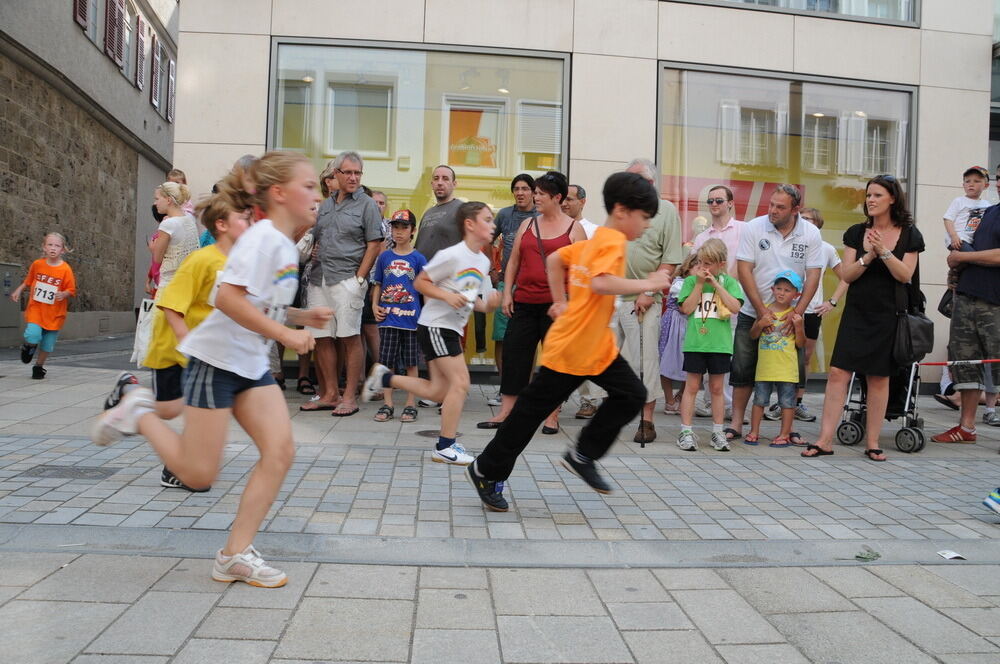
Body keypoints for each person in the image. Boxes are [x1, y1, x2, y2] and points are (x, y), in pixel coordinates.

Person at [91, 151, 333, 588]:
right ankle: (138, 409)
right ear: (279, 193)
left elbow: (257, 302)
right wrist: (287, 337)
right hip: (216, 363)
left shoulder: (280, 242)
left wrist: (299, 319)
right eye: (310, 186)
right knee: (198, 475)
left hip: (250, 365)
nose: (318, 195)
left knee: (280, 452)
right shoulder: (261, 239)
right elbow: (227, 299)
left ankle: (234, 555)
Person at [466, 172, 671, 511]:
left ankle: (582, 454)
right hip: (574, 347)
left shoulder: (595, 239)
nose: (647, 226)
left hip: (595, 348)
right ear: (622, 211)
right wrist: (648, 282)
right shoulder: (610, 242)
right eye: (645, 217)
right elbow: (602, 284)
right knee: (528, 415)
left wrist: (560, 299)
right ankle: (487, 468)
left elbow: (555, 259)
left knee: (631, 394)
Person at [109, 192, 253, 491]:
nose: (251, 223)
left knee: (200, 407)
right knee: (168, 409)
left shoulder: (241, 262)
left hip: (207, 351)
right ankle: (129, 390)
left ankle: (176, 468)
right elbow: (171, 306)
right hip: (174, 346)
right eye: (245, 218)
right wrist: (188, 344)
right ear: (223, 225)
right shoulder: (201, 260)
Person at [362, 202, 501, 465]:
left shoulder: (482, 261)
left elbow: (474, 302)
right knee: (460, 384)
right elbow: (420, 282)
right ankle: (445, 446)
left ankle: (385, 378)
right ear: (470, 224)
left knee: (439, 391)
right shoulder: (452, 255)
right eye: (487, 219)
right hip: (436, 325)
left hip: (449, 328)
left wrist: (489, 305)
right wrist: (448, 297)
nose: (493, 225)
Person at [803, 175, 924, 461]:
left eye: (877, 195)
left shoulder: (909, 234)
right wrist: (867, 256)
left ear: (892, 198)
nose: (870, 200)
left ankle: (872, 443)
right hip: (857, 313)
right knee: (837, 373)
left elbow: (905, 275)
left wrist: (883, 251)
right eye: (868, 195)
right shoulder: (857, 232)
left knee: (878, 379)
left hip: (889, 314)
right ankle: (824, 440)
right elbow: (846, 275)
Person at [477, 171, 586, 433]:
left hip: (556, 307)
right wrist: (507, 294)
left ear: (557, 198)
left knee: (554, 363)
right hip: (523, 302)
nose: (535, 197)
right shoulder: (528, 225)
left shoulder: (575, 229)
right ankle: (506, 412)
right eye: (534, 192)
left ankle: (551, 415)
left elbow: (582, 272)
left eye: (540, 194)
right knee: (515, 359)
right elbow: (513, 260)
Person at [727, 184, 822, 443]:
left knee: (790, 372)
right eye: (771, 204)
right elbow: (745, 270)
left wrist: (797, 315)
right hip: (752, 311)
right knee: (743, 368)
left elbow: (814, 275)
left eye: (780, 207)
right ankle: (736, 423)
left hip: (791, 316)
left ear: (795, 209)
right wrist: (760, 312)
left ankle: (787, 429)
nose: (773, 211)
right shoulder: (754, 227)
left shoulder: (810, 233)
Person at [301, 151, 383, 416]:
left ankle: (349, 397)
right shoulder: (324, 206)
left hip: (348, 278)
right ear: (335, 175)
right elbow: (312, 236)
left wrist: (361, 277)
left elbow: (375, 243)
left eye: (357, 173)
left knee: (349, 337)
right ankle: (330, 394)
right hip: (318, 277)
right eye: (347, 172)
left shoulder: (367, 204)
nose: (353, 177)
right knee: (322, 338)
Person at [618, 159, 683, 444]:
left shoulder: (666, 211)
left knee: (645, 361)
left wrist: (648, 291)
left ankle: (646, 421)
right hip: (614, 296)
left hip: (645, 299)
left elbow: (671, 260)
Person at [932, 183, 1000, 444]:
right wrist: (956, 261)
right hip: (967, 296)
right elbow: (961, 246)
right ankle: (966, 428)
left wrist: (965, 259)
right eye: (999, 177)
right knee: (966, 364)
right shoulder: (985, 213)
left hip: (996, 302)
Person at [768, 207, 846, 427]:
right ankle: (777, 402)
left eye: (811, 220)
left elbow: (846, 277)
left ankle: (797, 401)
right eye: (803, 219)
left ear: (818, 224)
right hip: (783, 308)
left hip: (811, 311)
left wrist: (832, 301)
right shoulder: (791, 242)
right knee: (779, 354)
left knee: (804, 358)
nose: (805, 223)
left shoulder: (827, 248)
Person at [675, 239, 744, 452]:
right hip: (696, 343)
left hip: (719, 345)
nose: (704, 268)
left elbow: (734, 307)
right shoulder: (690, 282)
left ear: (721, 264)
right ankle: (686, 431)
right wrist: (698, 284)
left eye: (709, 264)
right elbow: (686, 309)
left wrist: (716, 285)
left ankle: (717, 431)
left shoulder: (730, 282)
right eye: (702, 263)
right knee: (692, 386)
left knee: (716, 388)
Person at [690, 185, 745, 418]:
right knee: (708, 349)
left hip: (732, 297)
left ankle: (729, 407)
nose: (714, 205)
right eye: (710, 201)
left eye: (719, 201)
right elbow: (693, 266)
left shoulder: (744, 229)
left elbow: (746, 262)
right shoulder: (702, 237)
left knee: (729, 355)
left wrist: (724, 283)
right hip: (707, 302)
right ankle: (711, 403)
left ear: (730, 203)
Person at [370, 209, 427, 423]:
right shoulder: (384, 256)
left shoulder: (419, 258)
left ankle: (410, 404)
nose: (399, 231)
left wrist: (426, 316)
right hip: (388, 318)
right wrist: (375, 305)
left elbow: (425, 290)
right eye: (395, 227)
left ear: (413, 230)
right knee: (386, 361)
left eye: (404, 227)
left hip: (411, 319)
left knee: (411, 363)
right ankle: (388, 403)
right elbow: (378, 284)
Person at [490, 174, 537, 406]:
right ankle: (504, 388)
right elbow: (487, 240)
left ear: (533, 192)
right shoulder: (505, 215)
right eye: (516, 189)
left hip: (532, 286)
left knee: (529, 340)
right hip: (505, 284)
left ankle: (525, 391)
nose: (520, 193)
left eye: (525, 189)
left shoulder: (540, 216)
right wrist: (492, 268)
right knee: (502, 337)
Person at [745, 271, 806, 447]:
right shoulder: (765, 310)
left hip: (787, 369)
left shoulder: (795, 316)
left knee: (787, 403)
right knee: (759, 401)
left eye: (787, 290)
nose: (781, 292)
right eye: (778, 288)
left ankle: (784, 434)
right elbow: (753, 335)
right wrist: (760, 324)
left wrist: (799, 327)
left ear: (797, 294)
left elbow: (801, 344)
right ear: (772, 289)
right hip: (765, 368)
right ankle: (754, 431)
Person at [11, 232, 77, 379]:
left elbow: (71, 290)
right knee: (33, 334)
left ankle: (39, 366)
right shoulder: (37, 264)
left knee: (47, 344)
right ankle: (29, 346)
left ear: (63, 250)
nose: (53, 248)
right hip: (37, 309)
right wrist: (18, 290)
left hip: (55, 313)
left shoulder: (65, 269)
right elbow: (28, 281)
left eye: (57, 246)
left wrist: (64, 294)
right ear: (44, 247)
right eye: (50, 245)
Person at [563, 183, 603, 418]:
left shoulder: (594, 231)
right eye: (563, 199)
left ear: (583, 202)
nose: (566, 203)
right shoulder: (553, 228)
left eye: (570, 199)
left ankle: (589, 400)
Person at [659, 252, 699, 414]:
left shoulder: (701, 284)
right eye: (698, 267)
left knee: (689, 362)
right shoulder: (680, 284)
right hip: (675, 324)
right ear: (688, 268)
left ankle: (682, 395)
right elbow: (683, 307)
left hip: (690, 324)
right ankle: (669, 399)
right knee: (667, 360)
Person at [415, 165, 464, 262]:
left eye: (445, 179)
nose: (440, 183)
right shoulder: (427, 213)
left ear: (454, 184)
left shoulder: (462, 209)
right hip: (423, 273)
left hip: (448, 274)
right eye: (436, 179)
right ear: (432, 184)